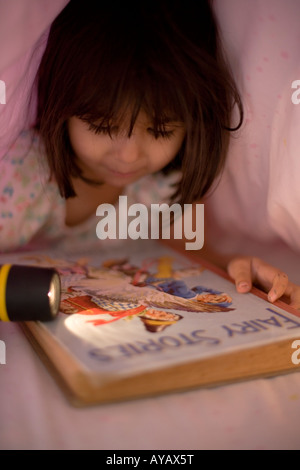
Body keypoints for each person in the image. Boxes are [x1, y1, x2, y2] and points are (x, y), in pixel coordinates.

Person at [0, 0, 299, 309]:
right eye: (101, 126)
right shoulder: (19, 178)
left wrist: (233, 268)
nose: (129, 156)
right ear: (58, 104)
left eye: (160, 132)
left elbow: (180, 254)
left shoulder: (161, 186)